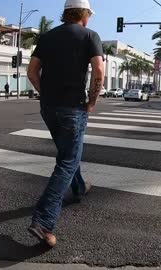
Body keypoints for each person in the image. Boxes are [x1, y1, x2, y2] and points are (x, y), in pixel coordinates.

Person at [26, 0, 104, 248]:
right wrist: (91, 102)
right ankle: (43, 221)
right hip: (72, 109)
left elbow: (31, 72)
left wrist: (44, 92)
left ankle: (79, 188)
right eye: (89, 15)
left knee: (68, 154)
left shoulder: (47, 37)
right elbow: (99, 71)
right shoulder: (90, 35)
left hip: (48, 108)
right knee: (67, 162)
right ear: (84, 14)